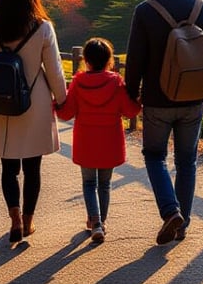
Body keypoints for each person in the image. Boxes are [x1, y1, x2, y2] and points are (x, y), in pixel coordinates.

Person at [125, 0, 203, 245]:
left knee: (154, 155)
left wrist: (132, 95)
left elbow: (135, 60)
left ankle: (170, 211)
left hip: (157, 100)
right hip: (193, 100)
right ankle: (182, 225)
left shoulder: (145, 10)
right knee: (186, 161)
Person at [0, 0, 68, 244]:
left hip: (2, 101)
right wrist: (61, 99)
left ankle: (13, 218)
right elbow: (54, 69)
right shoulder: (42, 27)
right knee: (33, 168)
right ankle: (28, 221)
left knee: (8, 168)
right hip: (34, 100)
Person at [56, 37, 141, 243]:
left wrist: (54, 104)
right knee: (104, 184)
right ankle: (101, 222)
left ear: (86, 60)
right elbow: (129, 111)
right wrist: (139, 101)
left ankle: (94, 222)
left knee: (88, 183)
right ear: (109, 60)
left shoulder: (78, 82)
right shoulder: (115, 82)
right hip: (110, 140)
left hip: (86, 140)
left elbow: (66, 113)